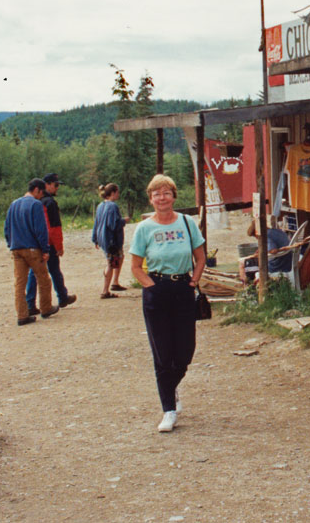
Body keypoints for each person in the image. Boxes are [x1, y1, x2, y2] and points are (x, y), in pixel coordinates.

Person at [129, 174, 206, 433]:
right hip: (157, 290)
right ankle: (168, 410)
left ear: (173, 196)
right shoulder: (144, 229)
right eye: (156, 194)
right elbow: (135, 267)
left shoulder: (187, 223)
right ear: (150, 199)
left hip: (183, 288)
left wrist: (193, 281)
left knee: (184, 351)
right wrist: (151, 286)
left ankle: (171, 388)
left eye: (166, 193)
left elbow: (201, 257)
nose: (162, 198)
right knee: (162, 353)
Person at [4, 178, 59, 326]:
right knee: (44, 280)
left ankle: (22, 315)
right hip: (33, 249)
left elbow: (7, 228)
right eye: (41, 193)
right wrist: (45, 249)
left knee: (19, 284)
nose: (41, 197)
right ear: (36, 190)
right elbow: (41, 230)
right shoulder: (36, 205)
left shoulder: (13, 204)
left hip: (16, 249)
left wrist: (11, 243)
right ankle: (46, 308)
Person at [26, 173, 76, 314]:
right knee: (54, 270)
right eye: (56, 185)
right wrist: (59, 246)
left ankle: (30, 303)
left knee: (34, 273)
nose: (57, 188)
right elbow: (54, 228)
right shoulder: (50, 203)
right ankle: (62, 297)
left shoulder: (34, 202)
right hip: (48, 243)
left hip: (35, 242)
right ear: (46, 185)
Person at [92, 182, 127, 298]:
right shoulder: (112, 206)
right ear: (113, 193)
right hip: (111, 240)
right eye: (117, 192)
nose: (118, 195)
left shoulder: (100, 206)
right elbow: (113, 225)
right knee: (111, 263)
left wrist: (95, 239)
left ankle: (115, 282)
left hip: (103, 238)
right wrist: (124, 221)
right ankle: (105, 290)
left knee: (119, 257)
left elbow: (96, 223)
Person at [238, 218, 292, 283]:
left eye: (255, 236)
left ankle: (246, 284)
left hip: (277, 265)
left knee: (242, 263)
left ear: (257, 231)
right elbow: (275, 246)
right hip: (287, 260)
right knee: (245, 261)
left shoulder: (266, 236)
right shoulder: (277, 231)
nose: (257, 238)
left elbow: (273, 250)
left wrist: (261, 253)